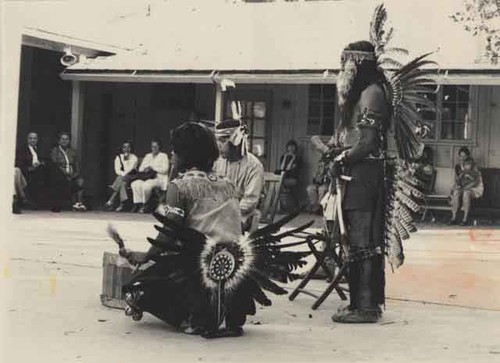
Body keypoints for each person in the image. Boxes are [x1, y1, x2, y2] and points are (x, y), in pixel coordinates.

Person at [120, 122, 248, 337]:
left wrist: (146, 256)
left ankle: (191, 318)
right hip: (235, 274)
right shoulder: (227, 183)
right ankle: (222, 314)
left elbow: (170, 232)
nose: (171, 154)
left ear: (185, 155)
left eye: (175, 151)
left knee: (133, 289)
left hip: (198, 269)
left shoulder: (180, 186)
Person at [328, 41, 390, 323]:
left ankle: (365, 307)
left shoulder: (371, 93)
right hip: (359, 173)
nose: (343, 69)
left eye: (346, 63)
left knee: (363, 241)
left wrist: (341, 160)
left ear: (358, 64)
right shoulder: (366, 92)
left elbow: (367, 142)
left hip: (365, 175)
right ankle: (359, 304)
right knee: (355, 240)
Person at [214, 119, 264, 232]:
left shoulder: (254, 165)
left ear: (236, 141)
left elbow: (249, 201)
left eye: (223, 140)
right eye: (217, 140)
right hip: (218, 212)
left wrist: (224, 214)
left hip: (242, 215)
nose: (218, 145)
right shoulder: (218, 162)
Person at [49, 132, 86, 212]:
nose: (64, 141)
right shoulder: (55, 151)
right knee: (66, 181)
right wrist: (66, 174)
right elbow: (56, 165)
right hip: (60, 175)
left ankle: (79, 203)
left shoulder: (73, 151)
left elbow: (77, 166)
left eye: (66, 139)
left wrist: (75, 174)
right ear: (59, 141)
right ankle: (74, 204)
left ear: (69, 141)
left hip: (72, 174)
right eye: (62, 139)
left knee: (80, 181)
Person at [130, 139, 169, 213]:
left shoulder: (163, 156)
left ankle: (145, 204)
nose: (153, 148)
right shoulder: (148, 156)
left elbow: (165, 169)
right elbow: (141, 168)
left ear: (159, 147)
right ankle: (138, 203)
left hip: (159, 178)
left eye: (155, 147)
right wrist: (145, 169)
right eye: (152, 147)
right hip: (146, 177)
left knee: (146, 185)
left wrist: (153, 168)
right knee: (135, 184)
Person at [449, 150, 483, 226]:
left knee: (466, 193)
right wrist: (457, 186)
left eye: (464, 156)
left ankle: (465, 219)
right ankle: (453, 217)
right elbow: (457, 180)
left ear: (468, 157)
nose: (462, 158)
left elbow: (476, 182)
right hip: (463, 187)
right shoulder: (458, 167)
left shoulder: (473, 167)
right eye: (461, 156)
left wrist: (465, 187)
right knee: (456, 192)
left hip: (475, 188)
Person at [15, 132, 48, 208]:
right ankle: (30, 202)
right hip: (28, 171)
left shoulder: (41, 149)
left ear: (37, 139)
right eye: (31, 138)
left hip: (40, 170)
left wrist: (41, 163)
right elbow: (19, 164)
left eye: (35, 138)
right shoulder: (22, 150)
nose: (33, 140)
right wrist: (31, 168)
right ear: (27, 139)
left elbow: (46, 159)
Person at [105, 141, 138, 212]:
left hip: (131, 177)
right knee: (123, 183)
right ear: (122, 149)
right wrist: (123, 174)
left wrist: (127, 160)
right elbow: (117, 170)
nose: (126, 149)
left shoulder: (134, 157)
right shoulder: (118, 157)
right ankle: (122, 204)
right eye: (124, 147)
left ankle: (111, 200)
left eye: (128, 147)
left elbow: (131, 169)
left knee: (120, 179)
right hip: (123, 178)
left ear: (131, 148)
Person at [275, 139, 301, 212]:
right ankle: (279, 206)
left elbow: (290, 169)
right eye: (289, 146)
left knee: (280, 184)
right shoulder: (283, 157)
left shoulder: (298, 158)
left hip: (293, 179)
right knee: (277, 185)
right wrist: (286, 157)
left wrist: (293, 158)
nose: (291, 148)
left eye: (293, 147)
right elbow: (282, 168)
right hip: (283, 178)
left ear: (295, 148)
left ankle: (285, 206)